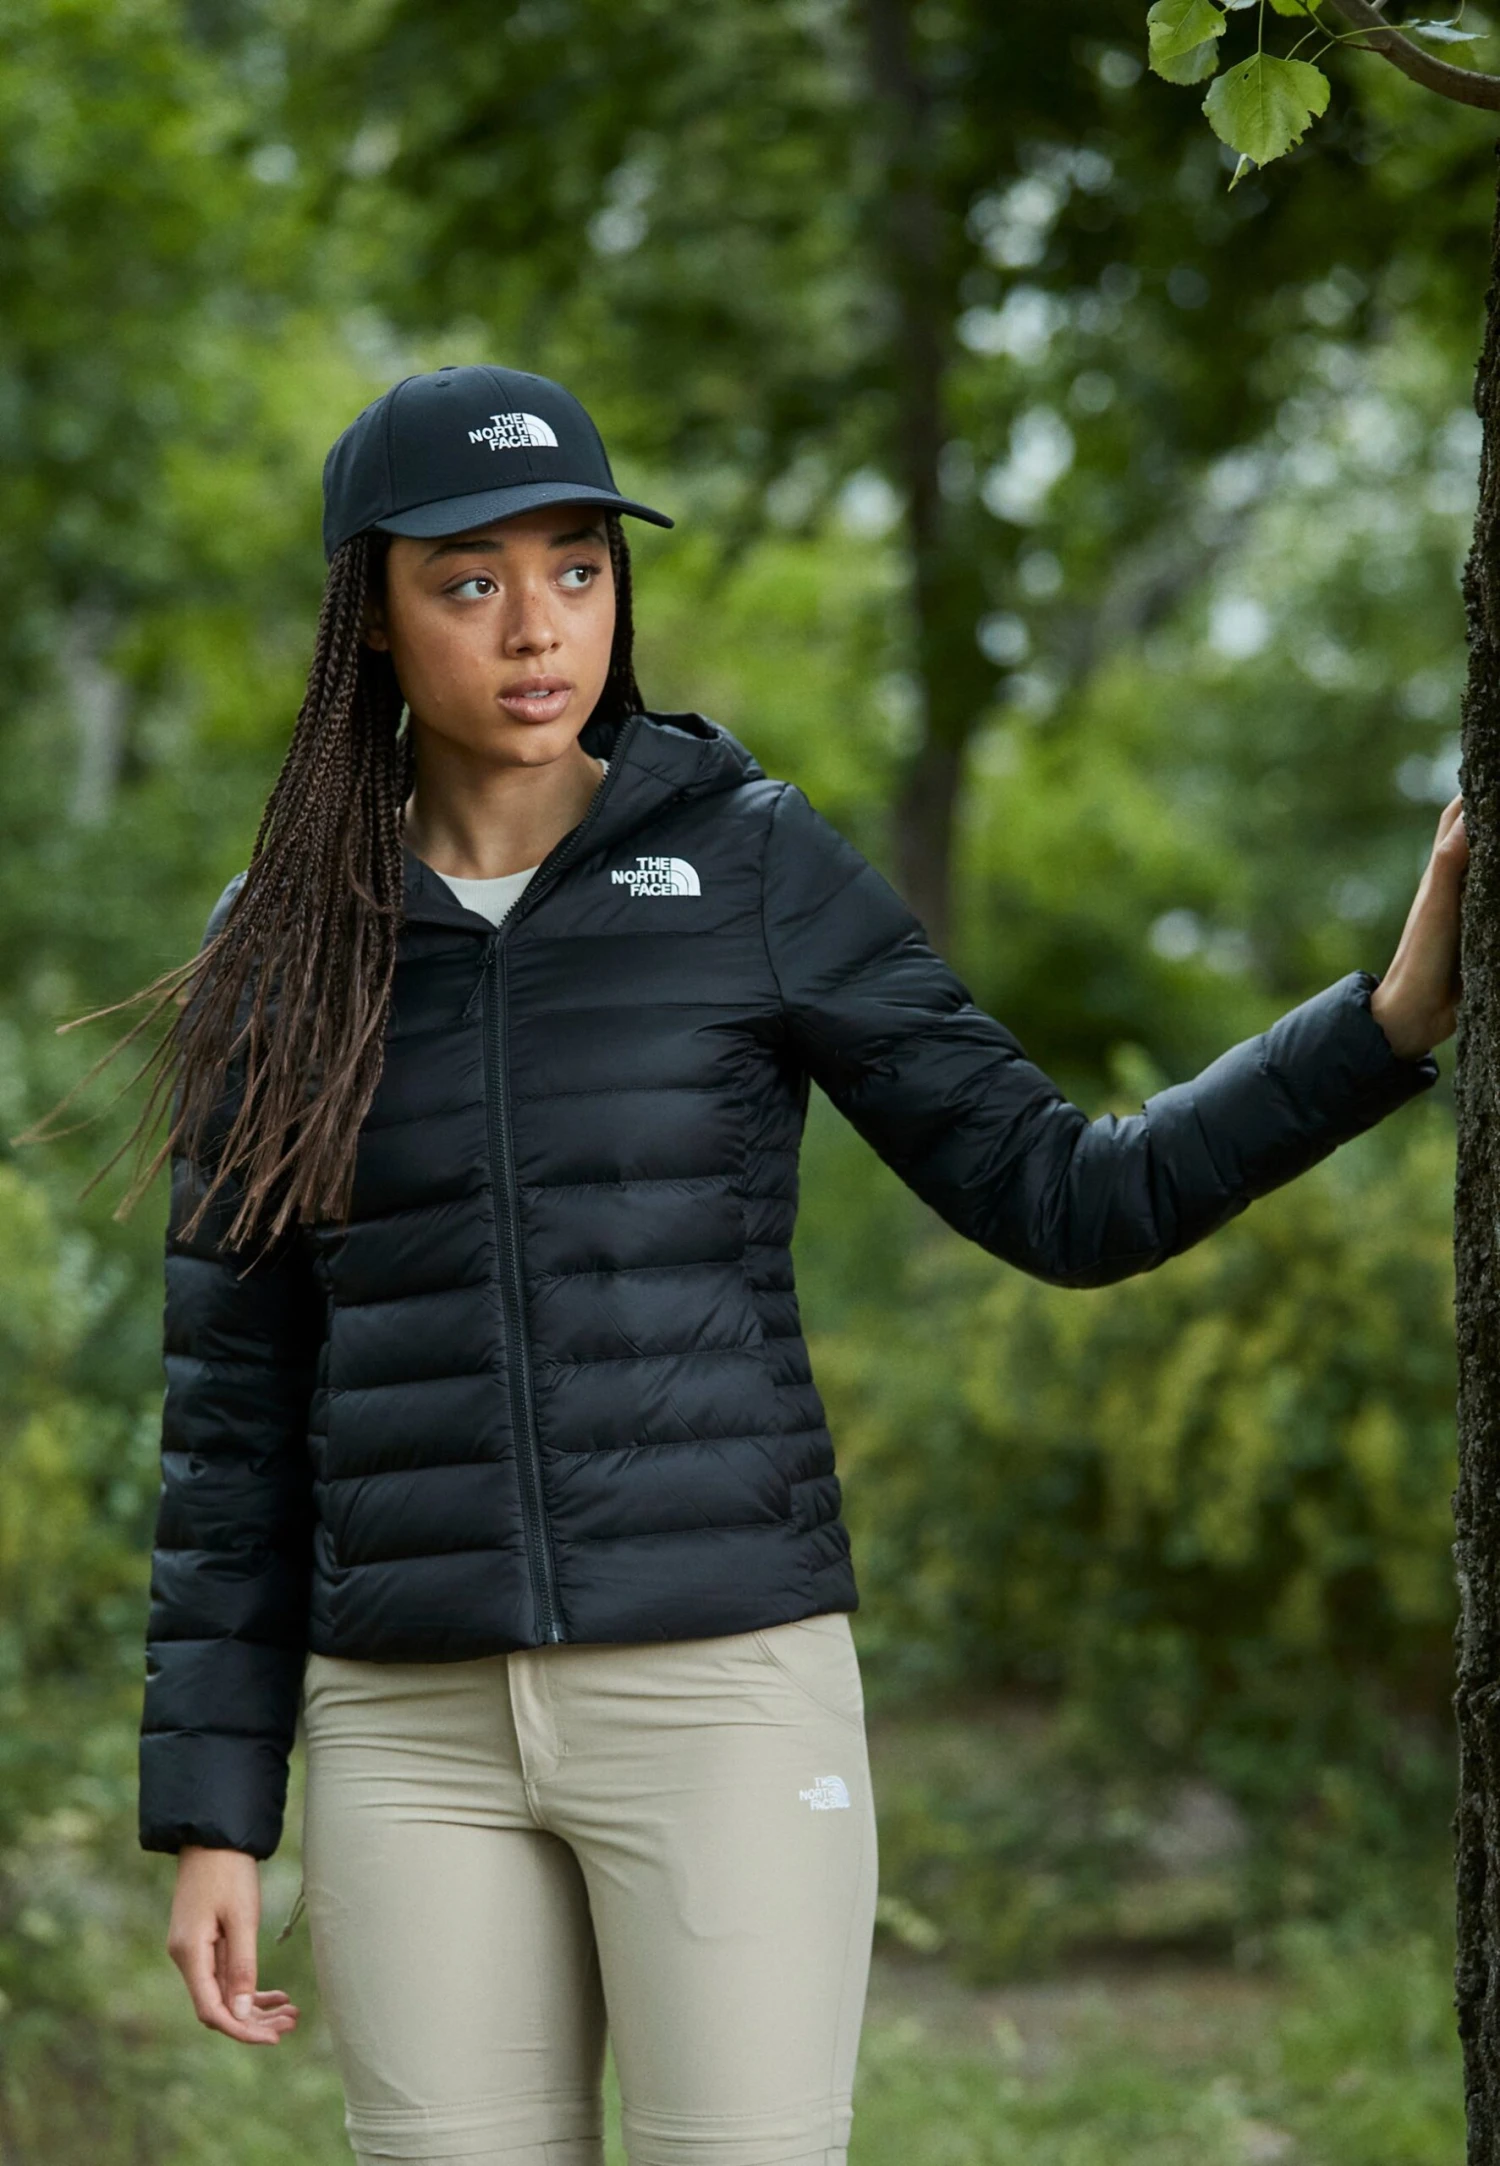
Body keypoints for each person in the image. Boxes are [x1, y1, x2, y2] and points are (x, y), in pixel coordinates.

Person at [67, 361, 1468, 2165]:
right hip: (406, 1734)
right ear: (372, 617)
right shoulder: (280, 943)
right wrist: (211, 1805)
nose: (537, 627)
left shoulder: (746, 862)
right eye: (470, 580)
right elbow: (233, 1420)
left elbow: (1066, 1194)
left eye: (578, 569)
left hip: (720, 1694)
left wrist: (1384, 1023)